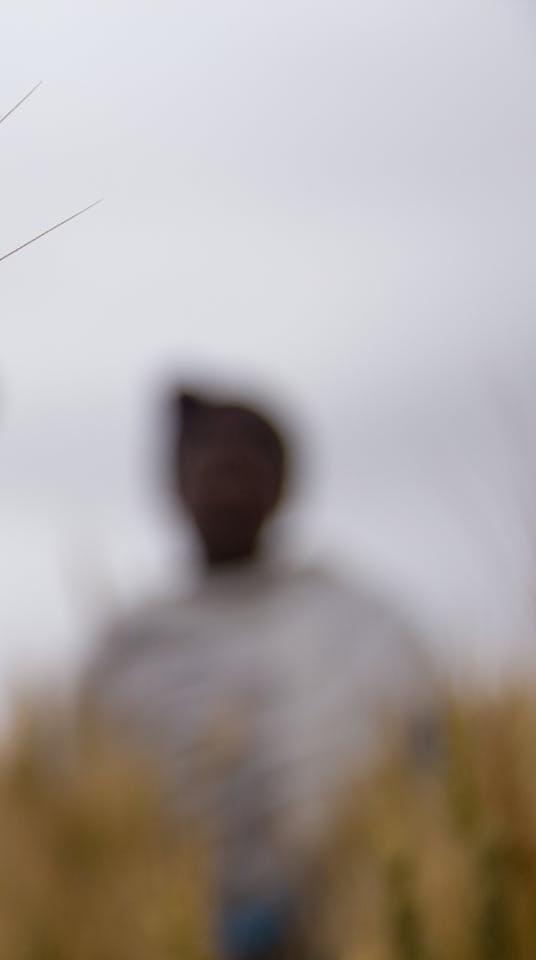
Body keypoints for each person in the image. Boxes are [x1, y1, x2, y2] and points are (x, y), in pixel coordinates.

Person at [81, 387, 438, 960]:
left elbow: (424, 765)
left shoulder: (360, 625)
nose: (228, 491)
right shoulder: (131, 648)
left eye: (244, 469)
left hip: (350, 928)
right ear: (175, 485)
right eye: (210, 470)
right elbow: (84, 799)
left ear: (283, 484)